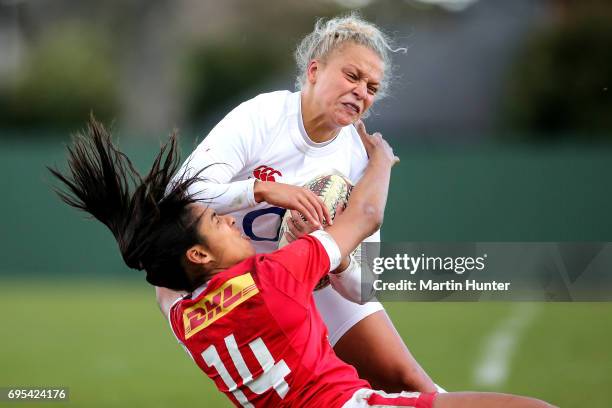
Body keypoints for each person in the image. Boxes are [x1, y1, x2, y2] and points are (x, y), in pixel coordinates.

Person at [50, 118, 553, 408]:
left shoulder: (184, 320)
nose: (232, 220)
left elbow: (163, 282)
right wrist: (380, 160)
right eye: (217, 221)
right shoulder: (274, 277)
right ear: (198, 255)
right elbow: (367, 214)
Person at [157, 13, 436, 393]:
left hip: (304, 276)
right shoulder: (265, 116)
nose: (361, 92)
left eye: (372, 87)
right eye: (352, 76)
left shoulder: (356, 157)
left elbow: (364, 285)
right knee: (298, 394)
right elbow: (180, 195)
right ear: (314, 70)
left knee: (412, 382)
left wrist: (332, 253)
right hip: (230, 283)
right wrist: (265, 190)